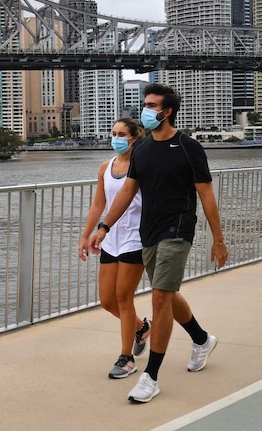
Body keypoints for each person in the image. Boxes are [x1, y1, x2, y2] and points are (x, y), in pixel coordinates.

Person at [89, 83, 229, 404]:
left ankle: (150, 376)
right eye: (145, 104)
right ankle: (201, 338)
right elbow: (127, 191)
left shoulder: (188, 147)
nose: (146, 110)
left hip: (178, 229)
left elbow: (206, 194)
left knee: (160, 298)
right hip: (148, 232)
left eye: (151, 105)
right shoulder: (142, 150)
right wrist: (104, 226)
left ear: (166, 112)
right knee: (167, 294)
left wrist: (218, 239)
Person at [79, 118, 152, 379]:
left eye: (122, 134)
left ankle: (126, 358)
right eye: (113, 133)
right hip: (109, 239)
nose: (116, 138)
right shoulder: (105, 167)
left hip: (134, 238)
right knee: (108, 301)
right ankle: (142, 327)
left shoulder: (142, 166)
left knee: (123, 298)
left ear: (134, 137)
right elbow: (99, 204)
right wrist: (86, 235)